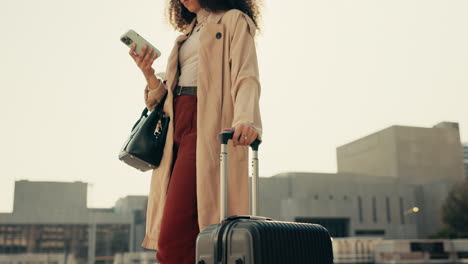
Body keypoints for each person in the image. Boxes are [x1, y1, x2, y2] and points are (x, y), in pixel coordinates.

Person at [128, 0, 262, 263]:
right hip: (175, 126)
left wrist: (246, 119)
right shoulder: (186, 34)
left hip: (206, 124)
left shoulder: (233, 20)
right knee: (188, 230)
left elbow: (246, 75)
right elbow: (164, 95)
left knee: (174, 234)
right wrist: (149, 75)